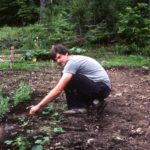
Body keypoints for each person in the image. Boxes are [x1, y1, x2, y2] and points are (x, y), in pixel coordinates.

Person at [29, 44, 111, 115]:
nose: (58, 61)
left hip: (102, 88)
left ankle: (79, 107)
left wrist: (38, 106)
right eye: (55, 60)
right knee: (66, 76)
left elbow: (58, 90)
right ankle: (95, 102)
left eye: (59, 57)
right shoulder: (73, 60)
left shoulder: (72, 62)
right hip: (100, 88)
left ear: (66, 53)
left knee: (69, 78)